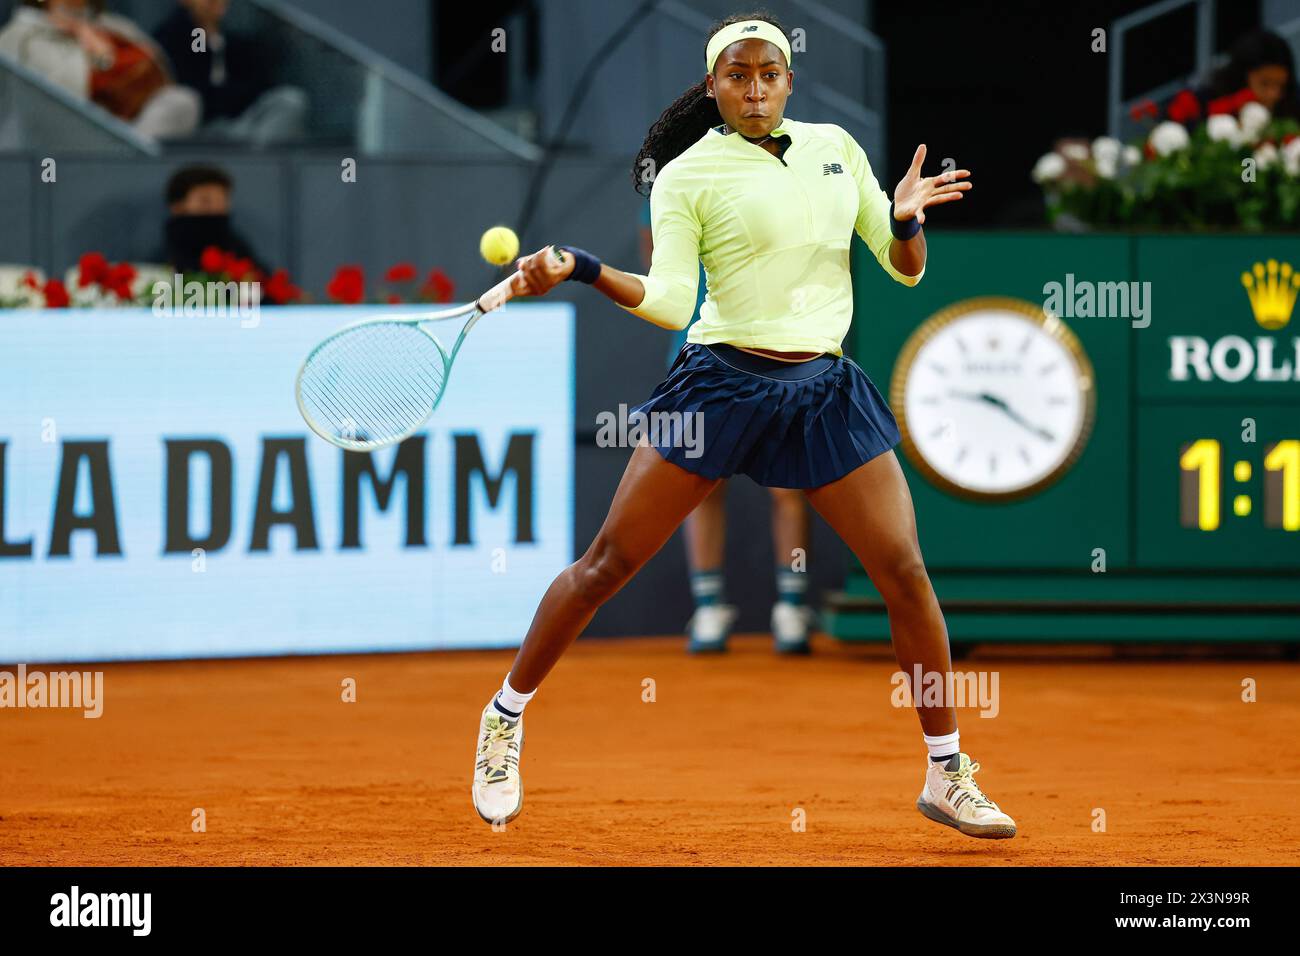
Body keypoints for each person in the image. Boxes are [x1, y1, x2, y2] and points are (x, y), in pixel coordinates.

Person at [470, 12, 1016, 841]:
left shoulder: (839, 148)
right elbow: (667, 303)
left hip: (824, 388)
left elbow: (905, 272)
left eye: (769, 72)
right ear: (714, 85)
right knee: (606, 563)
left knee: (904, 572)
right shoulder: (687, 175)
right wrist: (580, 267)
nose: (755, 87)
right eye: (738, 75)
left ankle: (947, 772)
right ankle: (505, 719)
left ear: (789, 79)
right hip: (720, 384)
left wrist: (905, 221)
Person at [637, 198, 815, 655]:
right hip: (699, 358)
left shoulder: (773, 174)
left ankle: (791, 608)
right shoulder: (674, 182)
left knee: (787, 485)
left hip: (778, 351)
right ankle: (710, 608)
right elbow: (660, 272)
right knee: (701, 485)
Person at [0, 0, 200, 141]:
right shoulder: (20, 34)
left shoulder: (116, 26)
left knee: (182, 101)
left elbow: (157, 69)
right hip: (63, 127)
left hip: (129, 124)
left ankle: (126, 154)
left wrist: (99, 46)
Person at [152, 0, 307, 147]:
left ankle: (257, 162)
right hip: (203, 127)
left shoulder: (232, 40)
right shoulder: (176, 36)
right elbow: (199, 90)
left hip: (242, 122)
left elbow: (259, 84)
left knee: (290, 100)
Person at [162, 164, 266, 274]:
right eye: (205, 201)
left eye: (222, 201)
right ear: (177, 206)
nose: (217, 208)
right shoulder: (166, 252)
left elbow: (260, 278)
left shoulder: (236, 246)